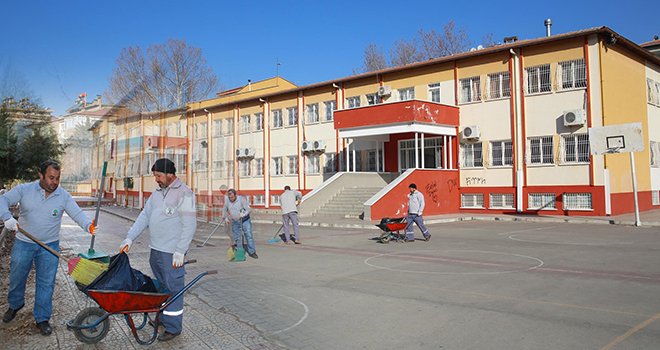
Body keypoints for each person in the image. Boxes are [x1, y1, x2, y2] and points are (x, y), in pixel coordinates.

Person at [0, 160, 95, 336]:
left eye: (57, 178)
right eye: (51, 178)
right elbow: (2, 199)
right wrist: (7, 217)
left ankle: (42, 318)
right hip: (24, 242)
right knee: (17, 276)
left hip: (49, 246)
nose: (54, 182)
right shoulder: (25, 190)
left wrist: (88, 225)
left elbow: (77, 213)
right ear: (41, 175)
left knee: (46, 283)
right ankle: (15, 304)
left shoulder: (63, 196)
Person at [118, 158, 196, 342]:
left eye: (159, 176)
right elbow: (144, 217)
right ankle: (162, 317)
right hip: (156, 251)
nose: (156, 179)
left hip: (172, 254)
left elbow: (189, 225)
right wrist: (129, 237)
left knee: (174, 290)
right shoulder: (157, 194)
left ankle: (173, 327)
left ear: (170, 174)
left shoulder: (185, 194)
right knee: (161, 289)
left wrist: (180, 250)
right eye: (155, 176)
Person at [222, 189, 258, 259]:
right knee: (238, 237)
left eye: (232, 197)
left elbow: (248, 209)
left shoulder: (241, 199)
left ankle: (252, 252)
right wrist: (225, 217)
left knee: (248, 235)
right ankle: (240, 253)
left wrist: (243, 214)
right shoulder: (227, 200)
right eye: (229, 198)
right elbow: (224, 209)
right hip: (235, 220)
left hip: (245, 220)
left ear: (235, 195)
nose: (231, 199)